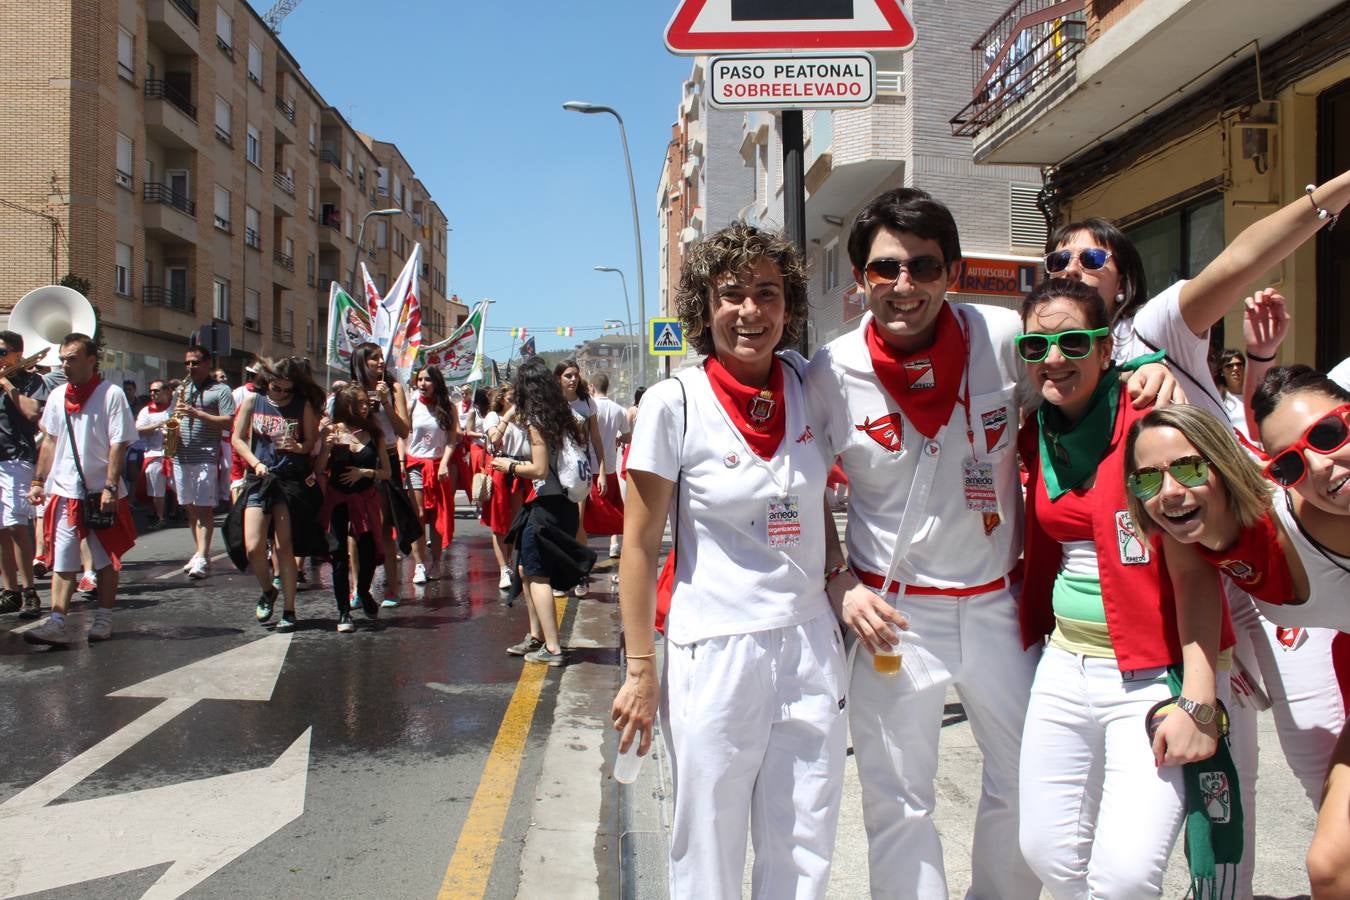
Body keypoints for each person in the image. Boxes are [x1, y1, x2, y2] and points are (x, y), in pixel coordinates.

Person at [1049, 174, 1350, 892]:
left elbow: (1240, 262)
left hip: (1268, 563)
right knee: (1202, 773)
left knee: (1308, 765)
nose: (1070, 269)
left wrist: (1332, 194)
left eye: (1092, 259)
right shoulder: (1058, 365)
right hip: (1176, 582)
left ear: (1125, 281)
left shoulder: (1154, 333)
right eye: (1057, 261)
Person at [806, 188, 1044, 899]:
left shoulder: (1002, 338)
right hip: (895, 617)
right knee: (899, 804)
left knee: (1030, 785)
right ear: (861, 279)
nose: (903, 285)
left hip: (1000, 607)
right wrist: (838, 578)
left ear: (952, 271)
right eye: (885, 269)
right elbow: (802, 481)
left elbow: (1067, 399)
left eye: (922, 266)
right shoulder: (830, 370)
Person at [611, 223, 846, 898]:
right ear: (703, 306)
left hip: (807, 643)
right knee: (708, 845)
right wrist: (640, 671)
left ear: (789, 306)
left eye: (767, 294)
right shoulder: (672, 403)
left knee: (804, 843)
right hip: (713, 650)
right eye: (732, 293)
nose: (750, 311)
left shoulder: (809, 381)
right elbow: (637, 545)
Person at [1016, 279, 1234, 896]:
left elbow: (1194, 569)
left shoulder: (1152, 426)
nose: (1054, 358)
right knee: (1048, 853)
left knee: (1126, 875)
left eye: (1073, 341)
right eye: (1037, 346)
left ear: (1107, 348)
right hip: (1062, 664)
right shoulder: (1036, 430)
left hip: (1147, 670)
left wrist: (1198, 699)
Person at [23, 333, 136, 646]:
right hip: (64, 490)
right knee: (63, 560)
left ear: (91, 360)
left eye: (71, 358)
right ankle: (57, 621)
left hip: (100, 492)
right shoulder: (58, 396)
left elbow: (119, 443)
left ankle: (104, 617)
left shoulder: (111, 394)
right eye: (62, 358)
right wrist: (38, 481)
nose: (64, 364)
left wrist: (111, 487)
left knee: (104, 559)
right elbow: (49, 440)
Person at [492, 358, 594, 666]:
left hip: (547, 506)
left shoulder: (538, 422)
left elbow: (538, 468)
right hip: (563, 506)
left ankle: (552, 647)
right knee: (525, 569)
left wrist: (508, 465)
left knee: (537, 575)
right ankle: (536, 637)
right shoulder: (563, 415)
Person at [229, 357, 324, 633]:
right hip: (259, 479)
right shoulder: (252, 401)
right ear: (266, 381)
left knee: (284, 548)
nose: (281, 393)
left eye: (287, 389)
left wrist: (297, 447)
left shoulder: (301, 405)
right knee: (253, 546)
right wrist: (254, 462)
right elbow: (237, 438)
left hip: (288, 481)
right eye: (276, 387)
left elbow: (310, 443)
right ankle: (268, 590)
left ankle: (290, 609)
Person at [315, 384, 387, 631]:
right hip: (338, 500)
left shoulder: (375, 433)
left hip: (364, 500)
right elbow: (319, 468)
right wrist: (327, 446)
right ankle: (343, 612)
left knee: (368, 553)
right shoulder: (333, 431)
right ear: (347, 407)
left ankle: (364, 591)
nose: (366, 406)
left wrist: (364, 472)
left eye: (367, 402)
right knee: (338, 555)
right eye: (360, 403)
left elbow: (386, 472)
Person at [348, 343, 414, 607]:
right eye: (372, 358)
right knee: (355, 528)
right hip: (357, 456)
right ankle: (356, 587)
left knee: (385, 525)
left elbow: (404, 430)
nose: (379, 362)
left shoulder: (394, 388)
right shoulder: (351, 390)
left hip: (386, 457)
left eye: (380, 358)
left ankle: (392, 588)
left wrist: (386, 402)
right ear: (360, 362)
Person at [0, 331, 53, 620]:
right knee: (0, 529)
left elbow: (34, 413)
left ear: (16, 355)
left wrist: (6, 383)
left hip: (16, 458)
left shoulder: (31, 380)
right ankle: (10, 592)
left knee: (15, 525)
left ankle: (30, 590)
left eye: (1, 352)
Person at [173, 345, 235, 579]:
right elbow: (173, 417)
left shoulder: (221, 390)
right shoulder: (183, 388)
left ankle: (202, 554)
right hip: (182, 454)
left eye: (195, 362)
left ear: (208, 363)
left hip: (205, 455)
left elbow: (229, 422)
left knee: (204, 508)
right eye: (188, 363)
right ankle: (201, 552)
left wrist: (197, 414)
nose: (191, 367)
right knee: (189, 508)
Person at [555, 359, 606, 596]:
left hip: (580, 471)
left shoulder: (587, 403)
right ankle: (561, 575)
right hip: (556, 471)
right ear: (558, 379)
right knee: (558, 525)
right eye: (568, 375)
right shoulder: (553, 405)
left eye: (575, 375)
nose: (573, 379)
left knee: (577, 522)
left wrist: (602, 470)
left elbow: (596, 439)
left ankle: (581, 575)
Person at [404, 365, 458, 584]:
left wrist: (445, 462)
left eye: (428, 380)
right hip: (415, 465)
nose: (423, 384)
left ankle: (436, 562)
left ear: (437, 383)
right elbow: (402, 435)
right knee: (417, 516)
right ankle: (419, 565)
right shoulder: (412, 404)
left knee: (437, 517)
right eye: (420, 379)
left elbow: (452, 440)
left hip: (439, 467)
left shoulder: (448, 407)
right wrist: (401, 460)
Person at [485, 385, 530, 594]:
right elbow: (494, 439)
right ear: (502, 398)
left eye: (516, 399)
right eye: (511, 398)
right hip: (501, 469)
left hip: (521, 469)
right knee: (499, 523)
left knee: (516, 522)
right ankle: (503, 568)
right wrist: (507, 417)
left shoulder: (523, 418)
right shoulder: (493, 417)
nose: (514, 402)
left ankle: (511, 561)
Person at [588, 371, 630, 559]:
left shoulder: (589, 407)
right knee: (613, 505)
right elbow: (628, 435)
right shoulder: (619, 409)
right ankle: (614, 543)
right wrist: (618, 439)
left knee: (591, 509)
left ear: (592, 387)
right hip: (610, 464)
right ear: (608, 388)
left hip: (590, 463)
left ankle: (584, 544)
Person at [134, 380, 174, 529]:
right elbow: (138, 430)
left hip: (174, 453)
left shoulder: (174, 406)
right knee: (157, 488)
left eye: (156, 391)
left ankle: (186, 512)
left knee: (180, 486)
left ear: (165, 391)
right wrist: (157, 426)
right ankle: (160, 517)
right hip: (155, 453)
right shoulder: (146, 411)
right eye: (151, 391)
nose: (153, 394)